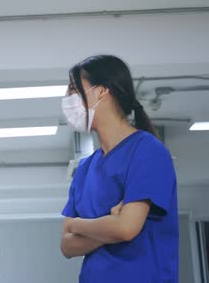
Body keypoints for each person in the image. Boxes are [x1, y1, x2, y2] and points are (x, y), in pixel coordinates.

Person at [60, 55, 179, 282]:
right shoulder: (85, 169)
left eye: (74, 89)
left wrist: (79, 225)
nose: (68, 98)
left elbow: (126, 228)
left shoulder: (147, 151)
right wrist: (110, 223)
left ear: (101, 91)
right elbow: (67, 245)